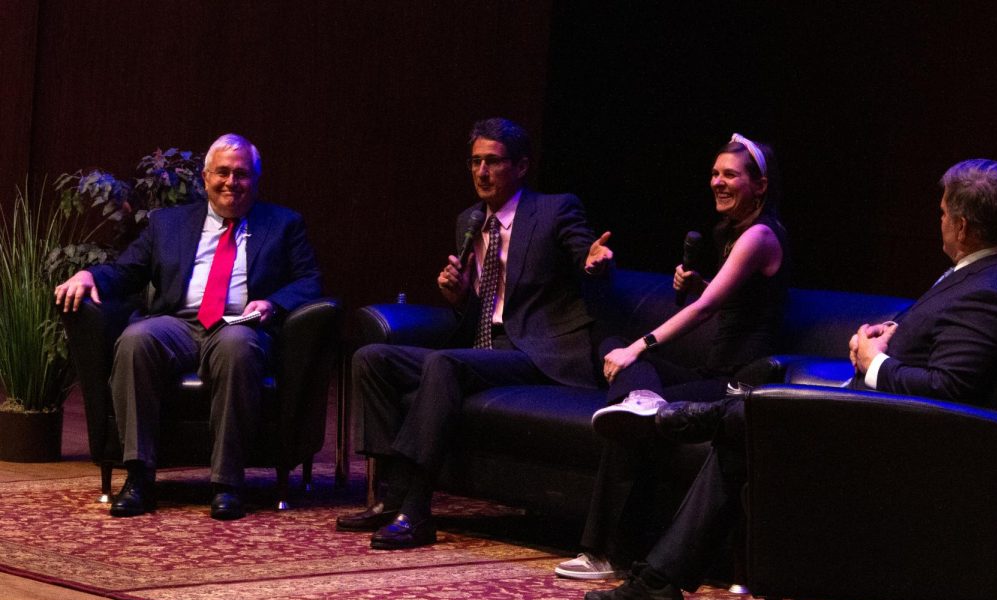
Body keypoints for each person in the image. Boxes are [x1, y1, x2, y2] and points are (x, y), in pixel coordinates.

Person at [582, 158, 997, 600]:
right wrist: (889, 332)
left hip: (911, 439)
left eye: (942, 214)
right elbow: (940, 336)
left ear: (963, 225)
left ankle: (680, 424)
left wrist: (875, 360)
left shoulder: (991, 290)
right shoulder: (985, 272)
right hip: (894, 415)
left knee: (753, 419)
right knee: (750, 418)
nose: (938, 222)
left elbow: (950, 387)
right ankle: (662, 573)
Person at [336, 117, 614, 549]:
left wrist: (595, 260)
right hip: (488, 349)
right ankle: (386, 497)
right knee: (372, 357)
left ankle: (416, 506)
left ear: (521, 166)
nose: (482, 172)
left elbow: (585, 258)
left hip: (539, 352)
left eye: (493, 162)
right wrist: (459, 295)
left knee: (444, 363)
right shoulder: (469, 221)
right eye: (475, 162)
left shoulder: (555, 209)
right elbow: (478, 314)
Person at [555, 133, 790, 580]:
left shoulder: (760, 234)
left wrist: (640, 345)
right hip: (713, 371)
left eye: (731, 175)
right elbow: (729, 300)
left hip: (738, 384)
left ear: (760, 186)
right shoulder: (735, 232)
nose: (717, 182)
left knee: (628, 404)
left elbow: (707, 310)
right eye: (715, 173)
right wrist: (697, 286)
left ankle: (606, 552)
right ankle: (642, 402)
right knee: (615, 361)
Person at [54, 133, 323, 521]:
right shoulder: (168, 223)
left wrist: (273, 303)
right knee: (135, 340)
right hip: (178, 323)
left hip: (239, 325)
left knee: (236, 347)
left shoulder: (283, 224)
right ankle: (139, 476)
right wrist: (87, 275)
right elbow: (126, 271)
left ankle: (227, 483)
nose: (232, 182)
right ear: (206, 176)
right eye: (224, 173)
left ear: (256, 180)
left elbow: (309, 281)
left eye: (242, 174)